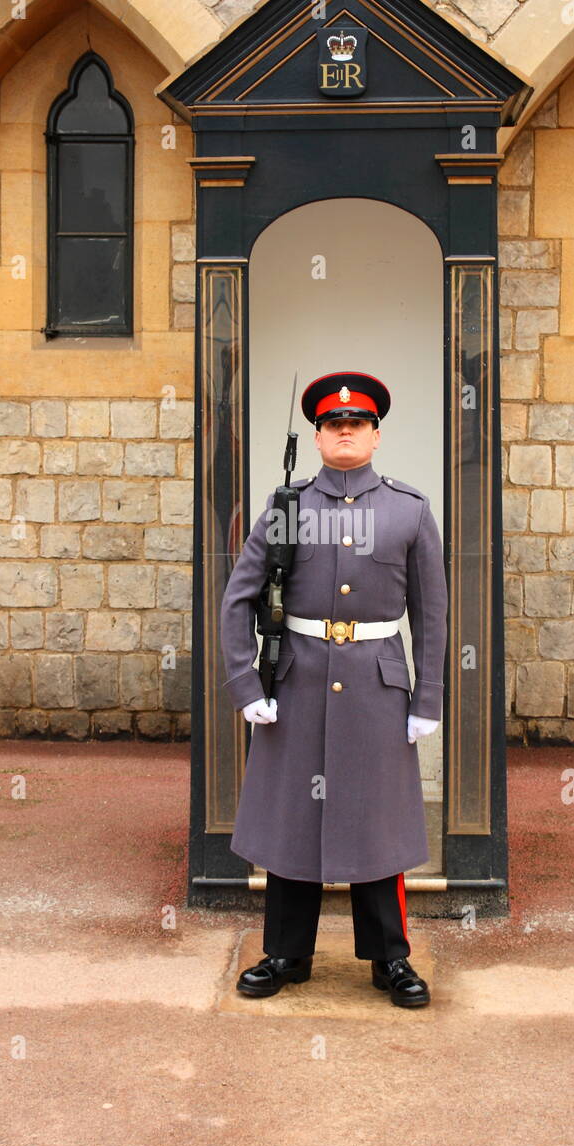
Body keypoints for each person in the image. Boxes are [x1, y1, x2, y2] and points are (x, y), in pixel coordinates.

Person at [219, 371, 448, 1008]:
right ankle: (287, 953)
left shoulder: (409, 510)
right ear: (318, 438)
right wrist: (246, 683)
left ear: (375, 435)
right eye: (333, 425)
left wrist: (426, 698)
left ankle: (390, 960)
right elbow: (238, 599)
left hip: (377, 685)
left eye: (357, 424)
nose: (345, 432)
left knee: (378, 820)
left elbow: (432, 614)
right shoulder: (286, 508)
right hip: (298, 679)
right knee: (294, 818)